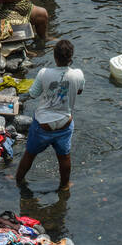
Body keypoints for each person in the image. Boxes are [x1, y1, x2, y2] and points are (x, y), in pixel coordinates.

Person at [15, 39, 84, 190]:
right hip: (64, 124)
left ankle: (18, 180)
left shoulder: (44, 73)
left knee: (30, 154)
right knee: (64, 156)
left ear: (55, 57)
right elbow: (79, 90)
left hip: (43, 125)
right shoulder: (78, 74)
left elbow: (33, 94)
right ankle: (64, 186)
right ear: (71, 58)